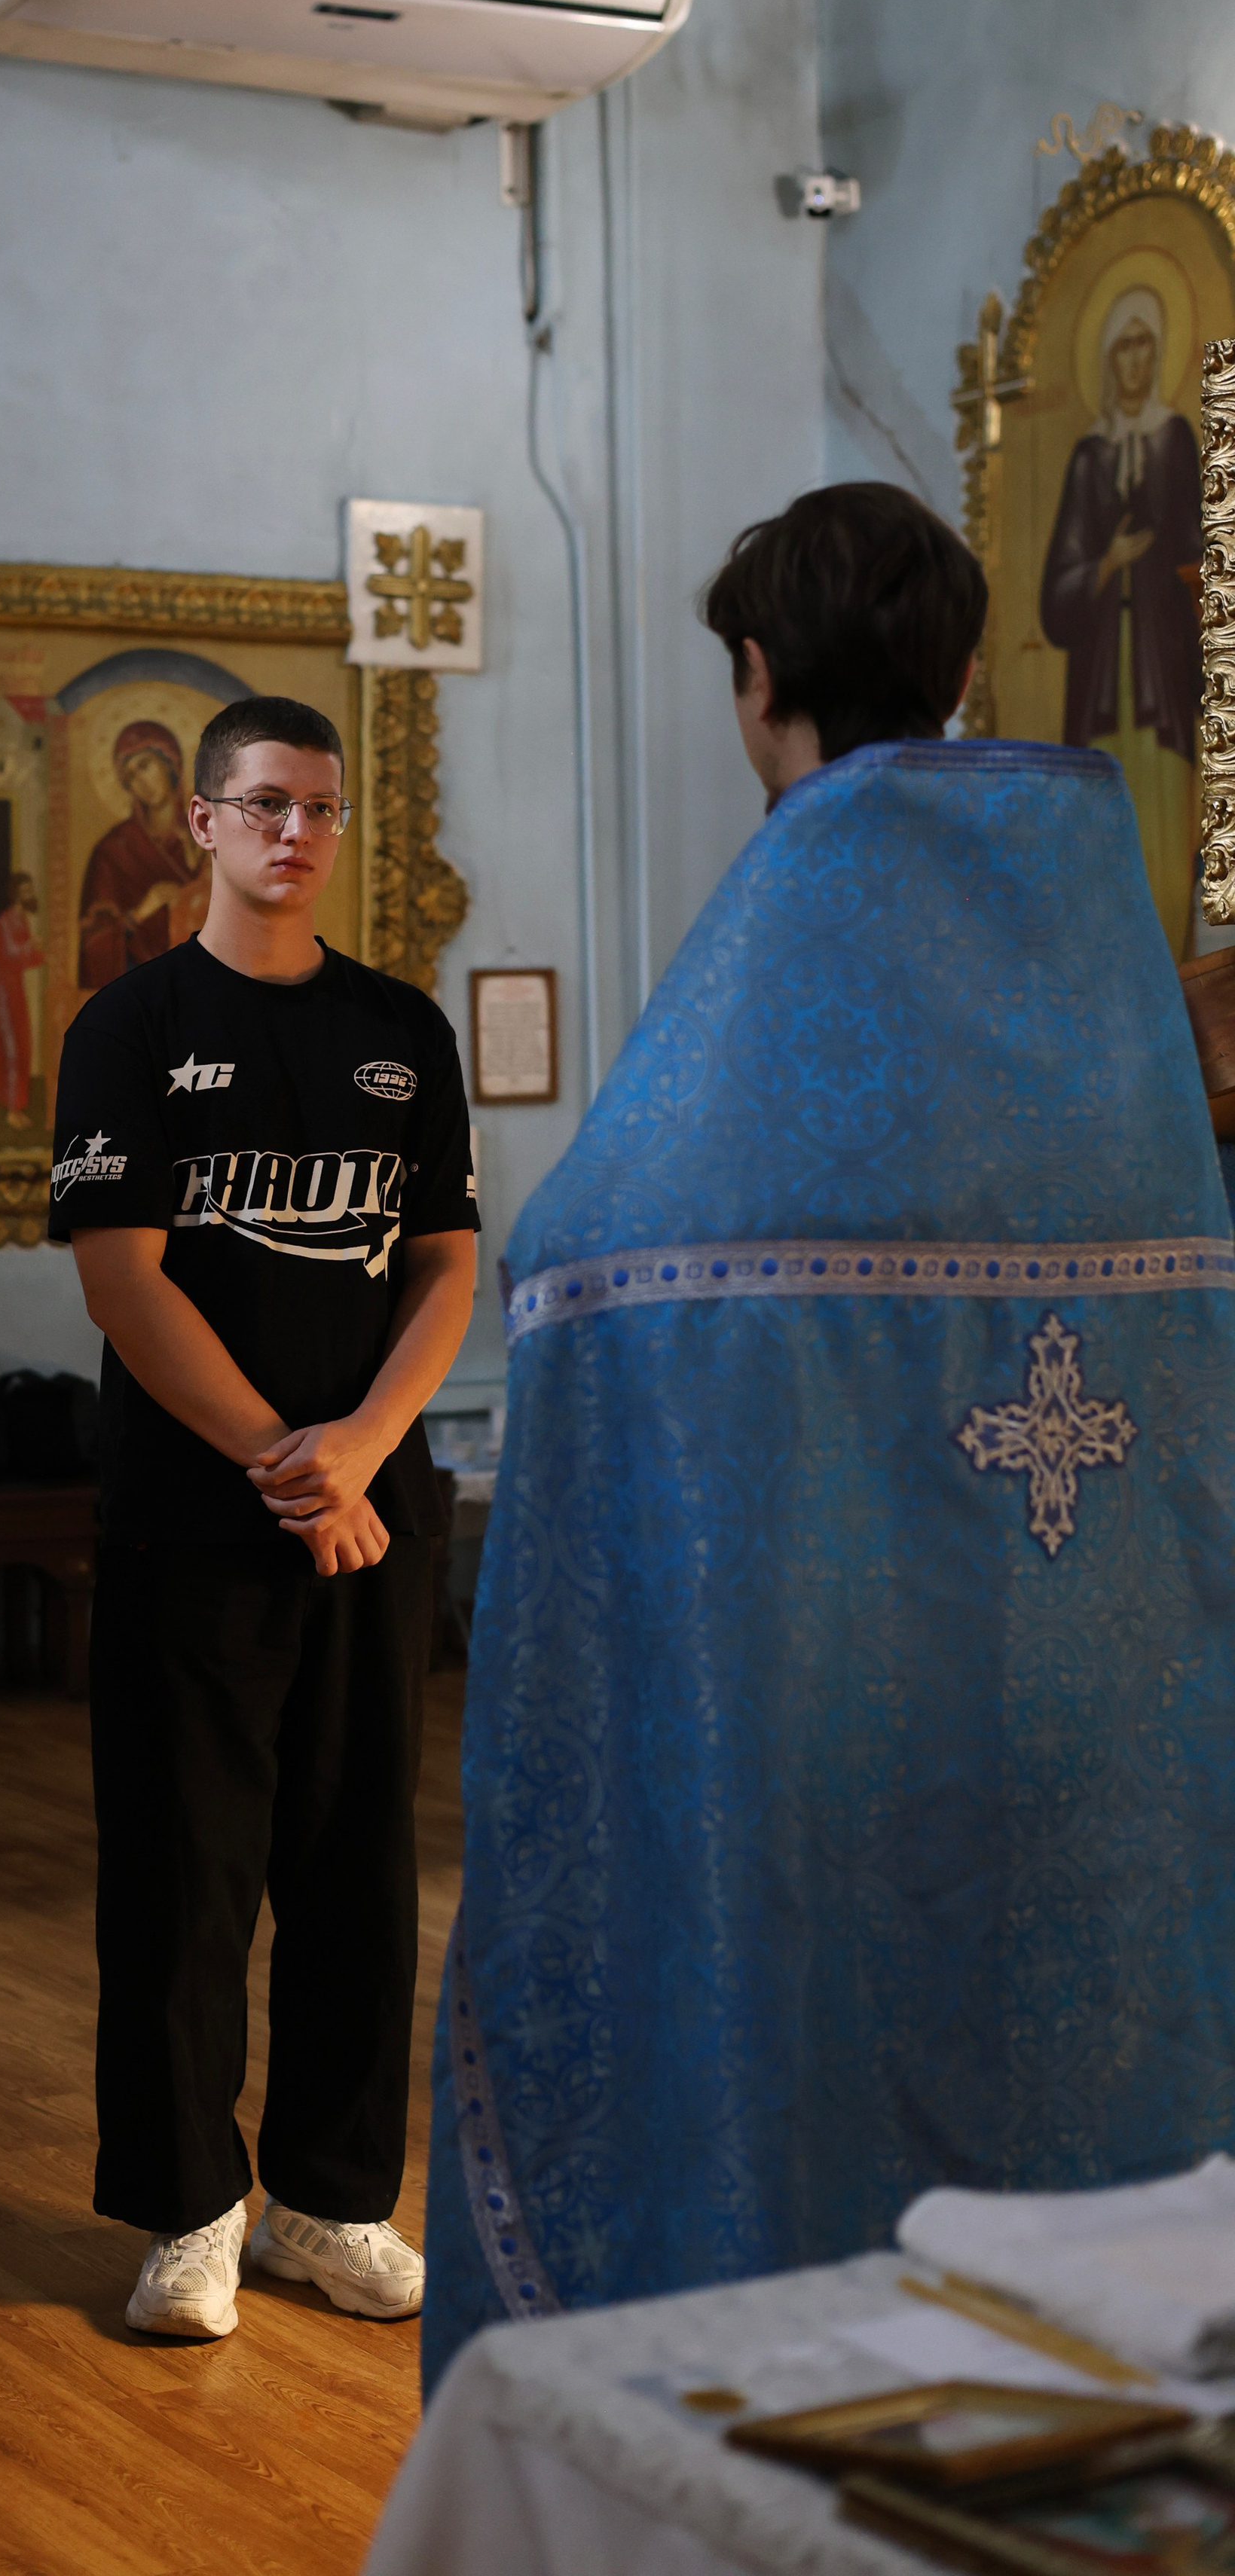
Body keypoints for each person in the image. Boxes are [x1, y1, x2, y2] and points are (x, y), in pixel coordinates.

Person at [422, 481, 1235, 2394]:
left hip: (814, 1730)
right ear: (966, 673)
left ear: (753, 679)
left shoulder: (783, 937)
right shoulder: (1090, 964)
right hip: (1088, 1709)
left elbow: (580, 1273)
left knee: (806, 2119)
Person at [48, 694, 478, 2342]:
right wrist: (277, 1462)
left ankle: (331, 2201)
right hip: (192, 1513)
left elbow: (440, 1261)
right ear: (203, 825)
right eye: (262, 805)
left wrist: (361, 1449)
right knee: (185, 1870)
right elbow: (117, 1275)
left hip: (373, 1515)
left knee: (355, 1863)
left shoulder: (398, 1029)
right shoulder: (130, 1022)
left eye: (319, 807)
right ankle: (185, 2211)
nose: (294, 833)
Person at [1038, 287, 1203, 957]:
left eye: (1145, 344)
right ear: (1107, 360)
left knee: (1166, 830)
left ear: (1160, 353)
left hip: (1165, 675)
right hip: (1103, 688)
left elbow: (1204, 548)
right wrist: (1107, 564)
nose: (1135, 359)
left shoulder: (1176, 439)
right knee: (1107, 840)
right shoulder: (1088, 459)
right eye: (1123, 346)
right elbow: (1057, 591)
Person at [76, 719, 209, 991]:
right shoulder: (113, 851)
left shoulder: (209, 834)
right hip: (145, 990)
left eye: (145, 766)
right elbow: (92, 946)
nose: (141, 782)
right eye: (130, 777)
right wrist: (141, 913)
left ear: (169, 761)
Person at [0, 868, 43, 1127]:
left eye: (31, 889)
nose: (30, 895)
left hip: (15, 989)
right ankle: (10, 1110)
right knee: (11, 1048)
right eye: (26, 890)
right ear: (17, 894)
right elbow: (10, 954)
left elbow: (30, 958)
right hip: (2, 994)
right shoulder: (6, 922)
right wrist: (34, 949)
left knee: (23, 1043)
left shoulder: (23, 920)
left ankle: (17, 1106)